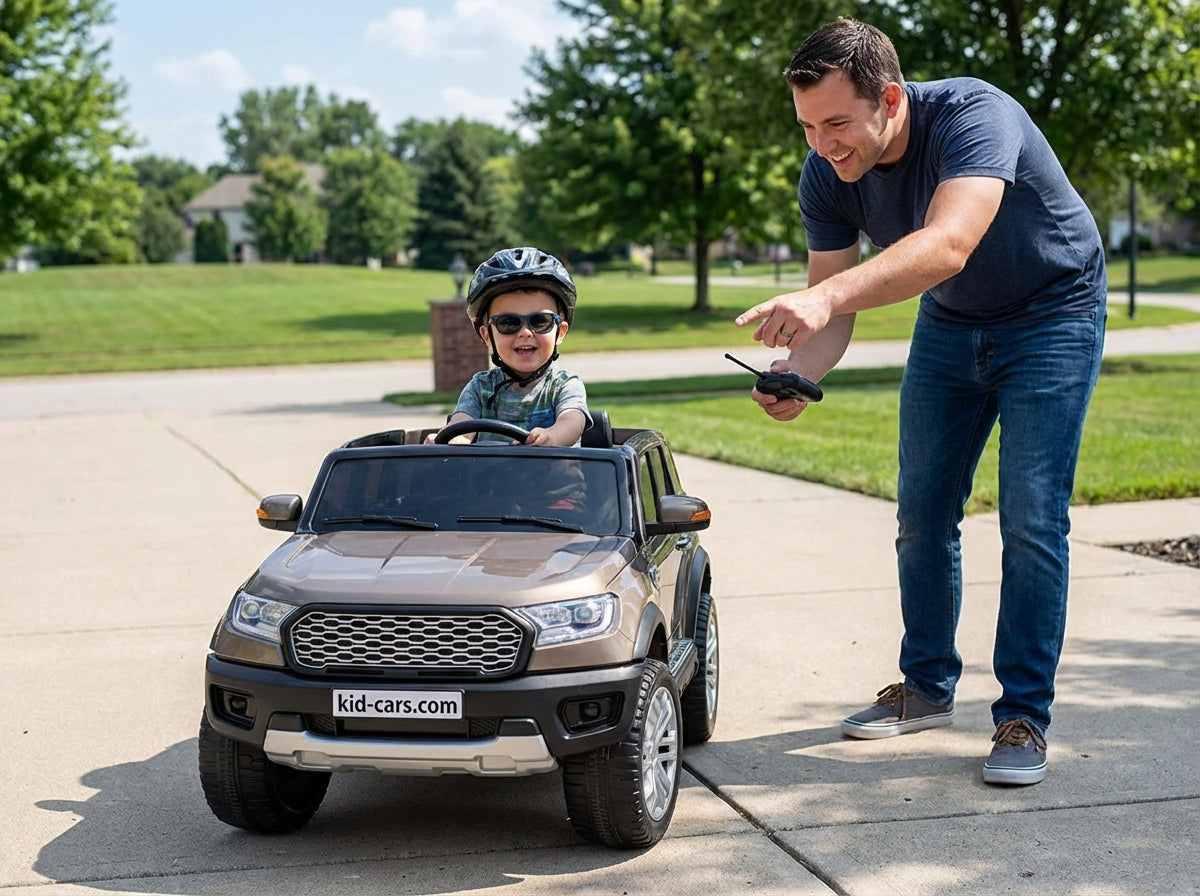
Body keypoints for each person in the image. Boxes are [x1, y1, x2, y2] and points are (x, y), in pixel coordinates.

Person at [735, 18, 1106, 786]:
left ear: (890, 99)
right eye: (807, 126)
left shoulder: (976, 116)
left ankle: (1023, 718)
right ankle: (929, 687)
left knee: (1033, 515)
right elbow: (830, 312)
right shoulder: (825, 175)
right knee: (921, 513)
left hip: (1054, 310)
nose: (822, 144)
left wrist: (826, 294)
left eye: (837, 122)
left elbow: (947, 244)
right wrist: (799, 371)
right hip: (951, 319)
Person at [430, 246, 590, 447]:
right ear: (487, 336)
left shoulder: (563, 386)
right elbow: (462, 422)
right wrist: (453, 438)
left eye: (540, 321)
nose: (525, 332)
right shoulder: (480, 387)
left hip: (556, 477)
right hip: (490, 478)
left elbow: (573, 421)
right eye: (508, 323)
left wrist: (553, 437)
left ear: (560, 332)